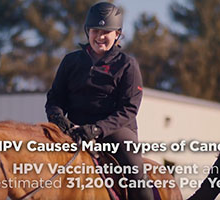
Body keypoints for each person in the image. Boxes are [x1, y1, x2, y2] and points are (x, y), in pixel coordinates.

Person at [45, 2, 154, 199]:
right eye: (95, 30)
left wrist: (96, 129)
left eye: (106, 31)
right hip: (73, 129)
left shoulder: (127, 64)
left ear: (117, 34)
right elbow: (55, 98)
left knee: (136, 172)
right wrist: (59, 118)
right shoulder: (70, 61)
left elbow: (128, 109)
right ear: (88, 31)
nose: (100, 37)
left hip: (115, 132)